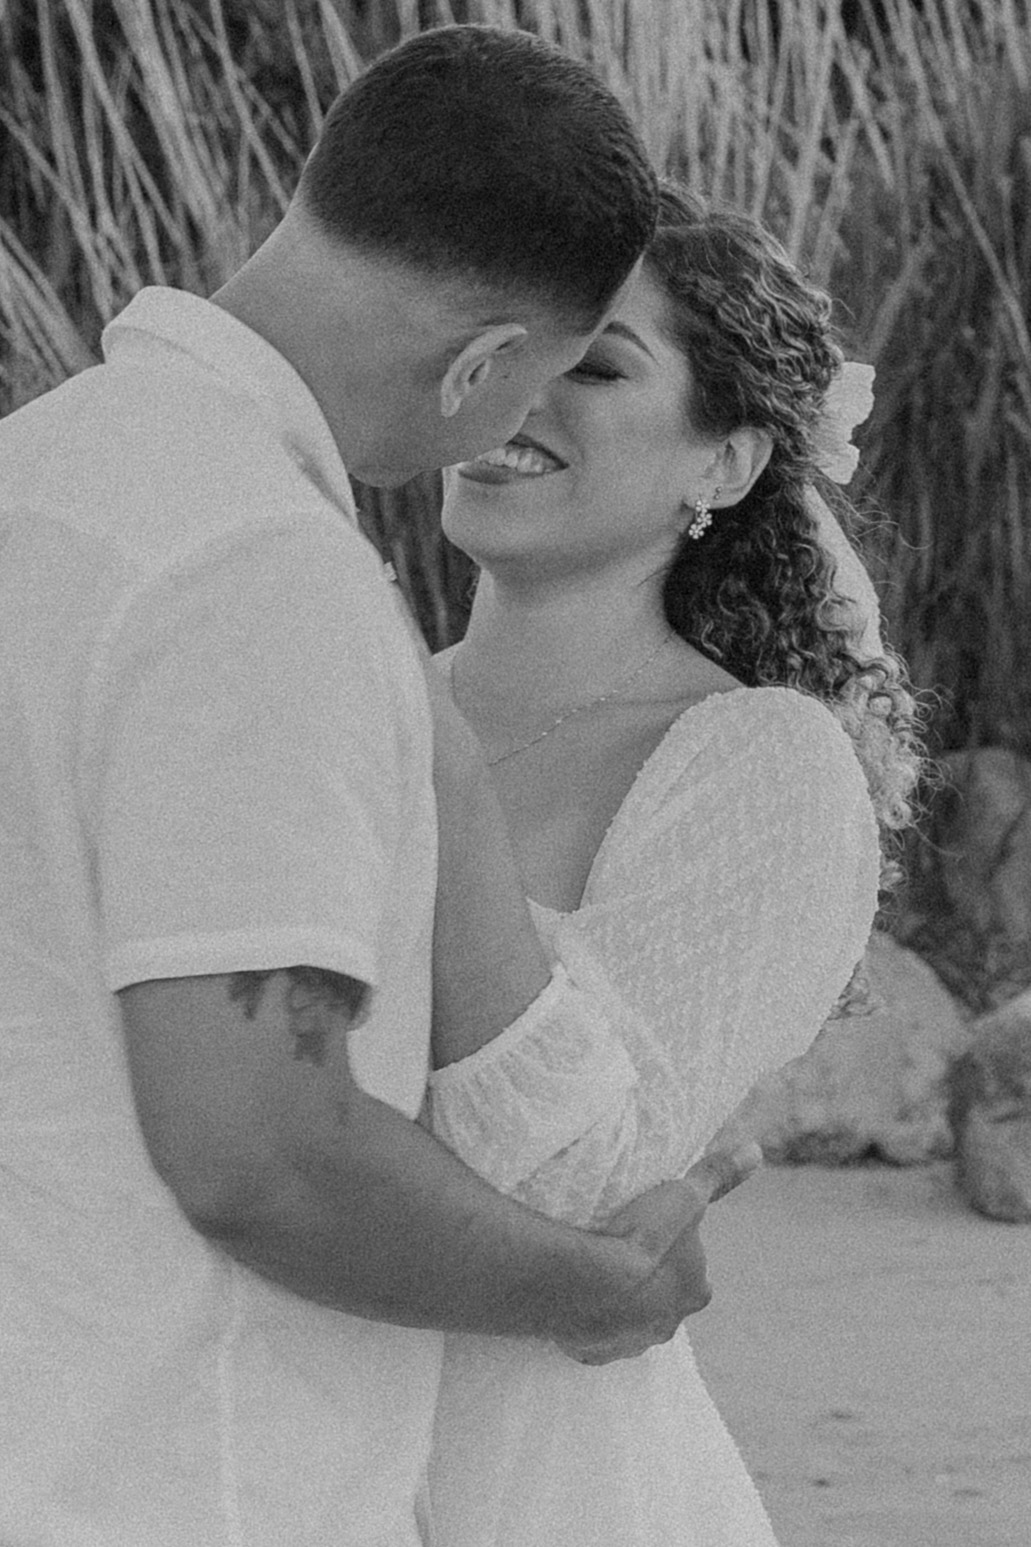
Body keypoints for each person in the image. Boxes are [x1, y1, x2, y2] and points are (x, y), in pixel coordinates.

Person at [0, 34, 757, 1547]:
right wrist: (594, 1283)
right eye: (538, 376)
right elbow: (257, 1151)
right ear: (482, 363)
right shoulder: (261, 572)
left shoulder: (44, 477)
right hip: (186, 1478)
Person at [423, 183, 923, 1545]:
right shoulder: (351, 696)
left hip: (534, 1477)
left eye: (595, 363)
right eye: (507, 346)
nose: (521, 391)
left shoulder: (756, 769)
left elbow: (581, 1182)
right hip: (264, 1447)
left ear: (727, 465)